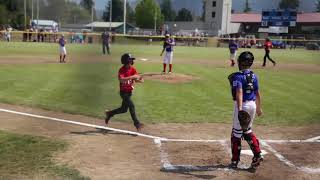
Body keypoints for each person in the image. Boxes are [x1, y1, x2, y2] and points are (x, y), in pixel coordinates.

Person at [228, 51, 263, 169]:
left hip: (243, 106)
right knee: (247, 130)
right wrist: (258, 108)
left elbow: (239, 93)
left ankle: (234, 160)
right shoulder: (254, 76)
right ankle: (258, 154)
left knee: (236, 134)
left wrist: (240, 109)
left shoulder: (238, 76)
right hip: (252, 105)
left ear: (241, 63)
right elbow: (257, 93)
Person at [105, 53, 144, 132]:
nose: (132, 61)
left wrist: (139, 79)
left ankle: (109, 113)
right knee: (131, 106)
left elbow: (136, 79)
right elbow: (121, 80)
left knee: (124, 109)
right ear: (126, 61)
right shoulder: (121, 70)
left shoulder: (133, 69)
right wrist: (133, 77)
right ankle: (137, 124)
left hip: (129, 92)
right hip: (124, 93)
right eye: (130, 60)